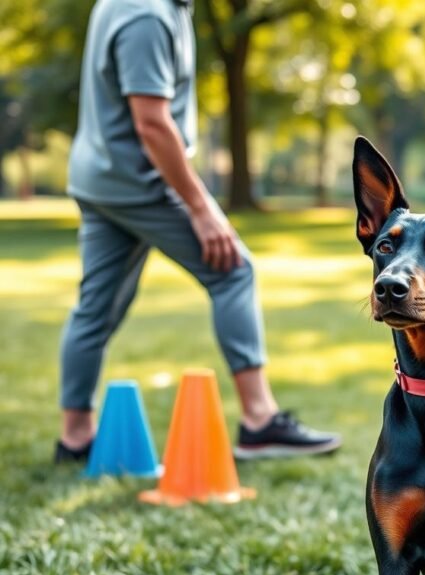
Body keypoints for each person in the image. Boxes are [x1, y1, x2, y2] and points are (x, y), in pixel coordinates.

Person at [57, 0, 341, 463]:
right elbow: (151, 122)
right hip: (139, 181)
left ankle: (75, 438)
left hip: (99, 178)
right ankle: (259, 419)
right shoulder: (146, 14)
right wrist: (201, 207)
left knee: (96, 307)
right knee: (233, 270)